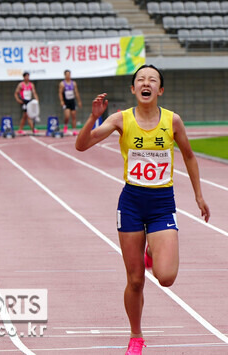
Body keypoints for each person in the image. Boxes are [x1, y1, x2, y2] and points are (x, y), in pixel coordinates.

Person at [75, 65, 210, 355]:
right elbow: (81, 145)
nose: (146, 83)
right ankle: (136, 336)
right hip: (132, 204)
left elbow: (189, 156)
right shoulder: (121, 119)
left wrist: (199, 196)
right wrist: (92, 117)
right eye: (140, 80)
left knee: (166, 277)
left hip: (162, 204)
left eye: (152, 80)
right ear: (133, 89)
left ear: (160, 90)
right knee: (135, 280)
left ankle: (151, 252)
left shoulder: (172, 121)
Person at [59, 69, 82, 136]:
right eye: (67, 75)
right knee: (67, 116)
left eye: (69, 74)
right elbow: (60, 93)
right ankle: (65, 125)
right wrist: (61, 101)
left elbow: (76, 92)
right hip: (66, 102)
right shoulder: (62, 84)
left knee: (74, 115)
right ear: (65, 75)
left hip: (72, 101)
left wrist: (79, 101)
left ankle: (74, 130)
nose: (68, 76)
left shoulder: (73, 83)